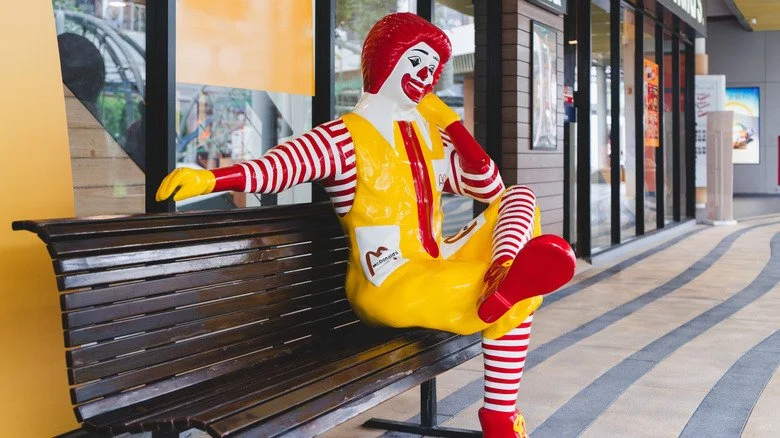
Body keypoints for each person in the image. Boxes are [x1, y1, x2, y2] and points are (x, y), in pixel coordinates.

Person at [156, 13, 575, 438]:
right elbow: (279, 166)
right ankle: (500, 413)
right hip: (390, 279)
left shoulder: (429, 135)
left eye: (433, 68)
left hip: (436, 259)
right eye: (417, 62)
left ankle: (503, 269)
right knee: (521, 298)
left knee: (518, 197)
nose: (425, 76)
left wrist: (449, 123)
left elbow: (489, 185)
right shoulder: (344, 137)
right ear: (387, 61)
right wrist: (211, 178)